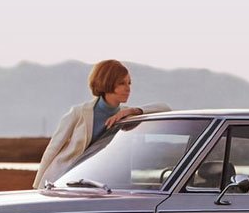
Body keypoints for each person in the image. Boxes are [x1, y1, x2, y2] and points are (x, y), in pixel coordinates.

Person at [33, 60, 170, 188]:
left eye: (129, 83)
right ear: (107, 83)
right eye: (122, 83)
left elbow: (165, 108)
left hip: (97, 182)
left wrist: (133, 110)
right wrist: (38, 185)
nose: (128, 88)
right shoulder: (79, 112)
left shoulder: (126, 115)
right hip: (63, 177)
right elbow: (53, 148)